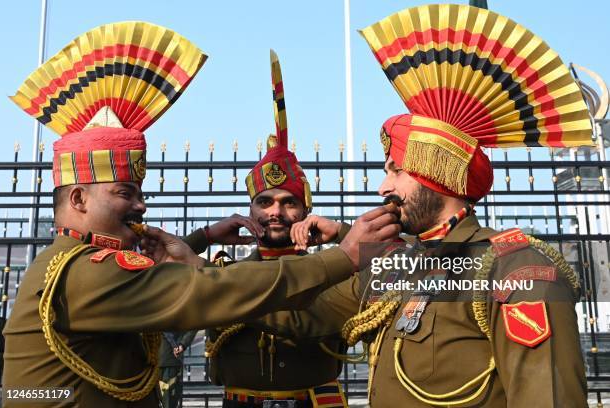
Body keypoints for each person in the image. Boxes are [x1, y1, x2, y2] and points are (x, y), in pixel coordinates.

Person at [2, 21, 399, 407]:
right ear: (78, 200)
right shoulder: (87, 272)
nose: (142, 206)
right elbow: (213, 290)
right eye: (126, 193)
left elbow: (349, 297)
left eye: (288, 202)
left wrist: (203, 242)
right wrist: (344, 254)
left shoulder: (83, 265)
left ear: (306, 209)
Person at [253, 4, 594, 407]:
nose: (383, 187)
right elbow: (302, 317)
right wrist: (202, 273)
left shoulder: (517, 270)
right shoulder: (403, 265)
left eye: (396, 171)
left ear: (437, 172)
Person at [191, 51, 349, 408]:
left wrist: (342, 232)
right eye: (265, 202)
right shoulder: (225, 273)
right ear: (249, 210)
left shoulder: (335, 273)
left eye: (288, 202)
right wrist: (206, 236)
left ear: (306, 210)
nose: (275, 212)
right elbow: (147, 272)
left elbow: (405, 269)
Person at [159, 330, 198, 408]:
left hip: (170, 361)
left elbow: (193, 327)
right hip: (155, 361)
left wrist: (182, 344)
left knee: (168, 402)